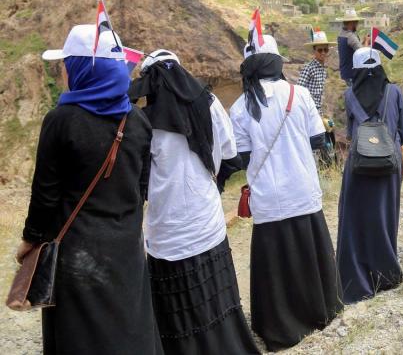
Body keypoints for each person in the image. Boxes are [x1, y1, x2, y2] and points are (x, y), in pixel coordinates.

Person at [15, 25, 162, 354]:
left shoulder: (61, 120)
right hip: (125, 244)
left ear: (80, 69)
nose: (63, 70)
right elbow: (141, 188)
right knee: (127, 324)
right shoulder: (137, 121)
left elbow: (46, 196)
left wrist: (31, 239)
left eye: (67, 63)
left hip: (76, 250)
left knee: (81, 334)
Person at [129, 50, 259, 355]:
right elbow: (230, 157)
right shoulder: (210, 103)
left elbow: (139, 181)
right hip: (206, 219)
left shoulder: (143, 121)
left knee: (177, 305)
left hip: (166, 230)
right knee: (217, 296)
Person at [230, 36, 342, 350]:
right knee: (311, 256)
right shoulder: (300, 94)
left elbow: (242, 157)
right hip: (303, 191)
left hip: (269, 199)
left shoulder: (241, 107)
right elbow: (318, 140)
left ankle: (280, 328)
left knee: (275, 266)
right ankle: (321, 313)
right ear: (277, 61)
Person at [338, 47, 403, 303]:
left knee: (356, 221)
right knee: (384, 216)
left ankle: (358, 279)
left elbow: (349, 135)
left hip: (358, 166)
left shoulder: (349, 95)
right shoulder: (395, 92)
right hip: (388, 165)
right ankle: (386, 273)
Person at [299, 29, 336, 165]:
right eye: (320, 50)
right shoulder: (308, 68)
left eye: (325, 50)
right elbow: (300, 91)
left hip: (319, 112)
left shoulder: (322, 68)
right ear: (314, 51)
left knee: (325, 143)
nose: (323, 53)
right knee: (317, 144)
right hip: (310, 113)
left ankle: (325, 168)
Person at [337, 8, 364, 86]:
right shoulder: (350, 36)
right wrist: (366, 42)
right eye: (356, 22)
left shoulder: (341, 34)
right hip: (352, 74)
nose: (357, 24)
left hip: (346, 73)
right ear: (352, 23)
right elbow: (362, 53)